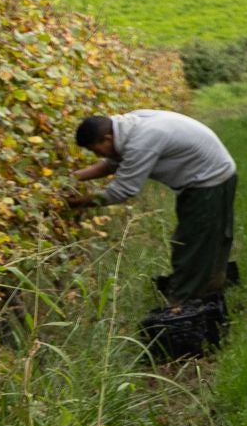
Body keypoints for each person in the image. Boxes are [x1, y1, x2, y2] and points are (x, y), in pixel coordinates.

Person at [68, 110, 238, 310]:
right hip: (214, 175)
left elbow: (122, 190)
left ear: (107, 138)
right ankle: (211, 287)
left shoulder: (143, 140)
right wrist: (72, 179)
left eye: (96, 150)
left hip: (209, 182)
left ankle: (182, 305)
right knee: (209, 238)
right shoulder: (127, 127)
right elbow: (111, 163)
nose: (98, 156)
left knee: (191, 244)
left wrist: (77, 202)